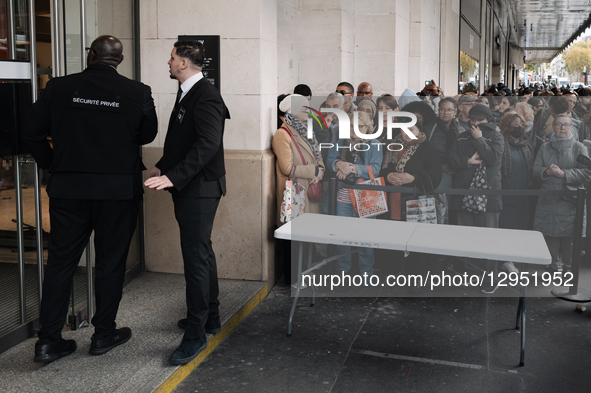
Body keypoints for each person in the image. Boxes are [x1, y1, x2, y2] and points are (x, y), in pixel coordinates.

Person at [21, 35, 158, 363]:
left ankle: (48, 341)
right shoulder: (138, 92)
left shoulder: (58, 87)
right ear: (119, 60)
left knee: (61, 263)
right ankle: (103, 334)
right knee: (110, 263)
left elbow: (31, 132)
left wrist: (53, 164)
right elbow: (148, 135)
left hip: (69, 190)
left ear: (91, 55)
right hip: (117, 192)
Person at [144, 40, 230, 365]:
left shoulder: (205, 95)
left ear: (183, 63)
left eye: (171, 58)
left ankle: (195, 336)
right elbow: (184, 139)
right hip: (193, 186)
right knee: (202, 251)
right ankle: (210, 318)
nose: (168, 62)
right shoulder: (188, 91)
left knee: (195, 259)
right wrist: (164, 165)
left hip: (200, 188)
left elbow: (208, 144)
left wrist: (174, 176)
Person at [379, 119, 442, 293]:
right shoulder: (393, 145)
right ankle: (393, 275)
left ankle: (416, 278)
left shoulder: (427, 147)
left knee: (415, 240)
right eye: (404, 130)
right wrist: (389, 175)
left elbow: (435, 174)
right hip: (393, 199)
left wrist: (413, 178)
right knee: (393, 237)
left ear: (418, 129)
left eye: (411, 129)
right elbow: (383, 169)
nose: (407, 133)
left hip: (415, 200)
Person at [448, 104, 504, 294]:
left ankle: (489, 279)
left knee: (489, 240)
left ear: (488, 120)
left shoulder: (496, 136)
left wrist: (480, 140)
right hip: (464, 194)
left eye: (480, 120)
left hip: (488, 197)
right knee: (466, 239)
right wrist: (467, 161)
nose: (475, 123)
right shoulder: (462, 135)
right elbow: (451, 158)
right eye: (473, 119)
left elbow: (493, 160)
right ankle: (469, 276)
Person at [272, 94, 324, 283]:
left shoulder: (306, 130)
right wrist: (314, 171)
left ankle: (304, 277)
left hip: (308, 193)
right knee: (293, 241)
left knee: (306, 239)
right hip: (295, 196)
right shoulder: (282, 134)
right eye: (304, 108)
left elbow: (319, 159)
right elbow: (287, 168)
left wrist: (319, 172)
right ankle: (293, 280)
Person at [326, 111, 383, 279]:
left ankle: (366, 272)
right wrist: (339, 164)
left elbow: (375, 169)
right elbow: (329, 161)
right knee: (342, 237)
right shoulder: (341, 142)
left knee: (365, 238)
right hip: (342, 198)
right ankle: (343, 270)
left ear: (368, 128)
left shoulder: (375, 144)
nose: (355, 129)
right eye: (352, 125)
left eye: (361, 126)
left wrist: (351, 169)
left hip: (365, 198)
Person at [533, 113, 591, 272]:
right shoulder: (545, 147)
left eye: (566, 124)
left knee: (570, 238)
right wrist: (547, 172)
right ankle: (551, 267)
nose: (562, 128)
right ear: (553, 127)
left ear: (572, 128)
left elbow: (587, 173)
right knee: (549, 235)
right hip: (548, 198)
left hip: (570, 201)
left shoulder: (579, 147)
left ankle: (568, 269)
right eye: (558, 124)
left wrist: (565, 174)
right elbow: (535, 170)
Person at [497, 112, 535, 274]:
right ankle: (506, 260)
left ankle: (517, 255)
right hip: (506, 192)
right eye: (515, 125)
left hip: (523, 193)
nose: (519, 128)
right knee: (507, 225)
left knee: (521, 224)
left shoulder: (527, 145)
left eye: (521, 125)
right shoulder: (501, 144)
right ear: (506, 127)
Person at [431, 97, 463, 190]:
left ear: (455, 112)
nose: (446, 112)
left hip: (457, 173)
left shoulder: (461, 130)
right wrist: (441, 166)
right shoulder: (430, 128)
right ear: (438, 110)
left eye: (449, 110)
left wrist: (455, 166)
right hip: (436, 174)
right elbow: (425, 153)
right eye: (443, 109)